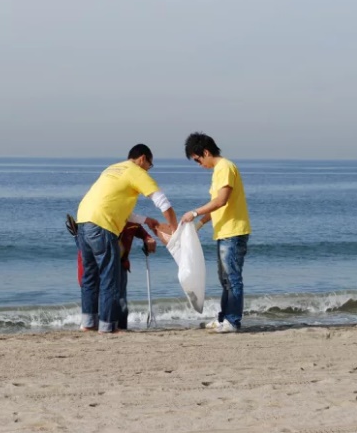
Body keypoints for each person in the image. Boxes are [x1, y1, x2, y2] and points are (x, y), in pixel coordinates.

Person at [76, 144, 177, 333]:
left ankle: (88, 324)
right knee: (110, 277)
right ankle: (107, 326)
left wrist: (148, 221)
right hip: (102, 225)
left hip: (82, 221)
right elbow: (163, 202)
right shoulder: (136, 172)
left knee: (90, 277)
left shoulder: (112, 169)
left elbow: (119, 209)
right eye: (149, 165)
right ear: (142, 159)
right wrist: (175, 229)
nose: (148, 169)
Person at [180, 133, 251, 333]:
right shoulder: (219, 171)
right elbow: (216, 207)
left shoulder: (225, 168)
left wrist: (194, 212)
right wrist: (198, 224)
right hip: (224, 232)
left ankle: (233, 321)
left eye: (198, 159)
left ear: (206, 152)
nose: (199, 164)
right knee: (225, 279)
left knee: (232, 278)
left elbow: (221, 201)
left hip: (233, 231)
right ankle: (224, 319)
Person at [67, 216, 156, 330]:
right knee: (99, 294)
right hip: (99, 262)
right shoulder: (99, 222)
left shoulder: (127, 219)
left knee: (121, 303)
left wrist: (147, 237)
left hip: (120, 263)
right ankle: (95, 325)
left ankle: (119, 328)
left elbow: (137, 227)